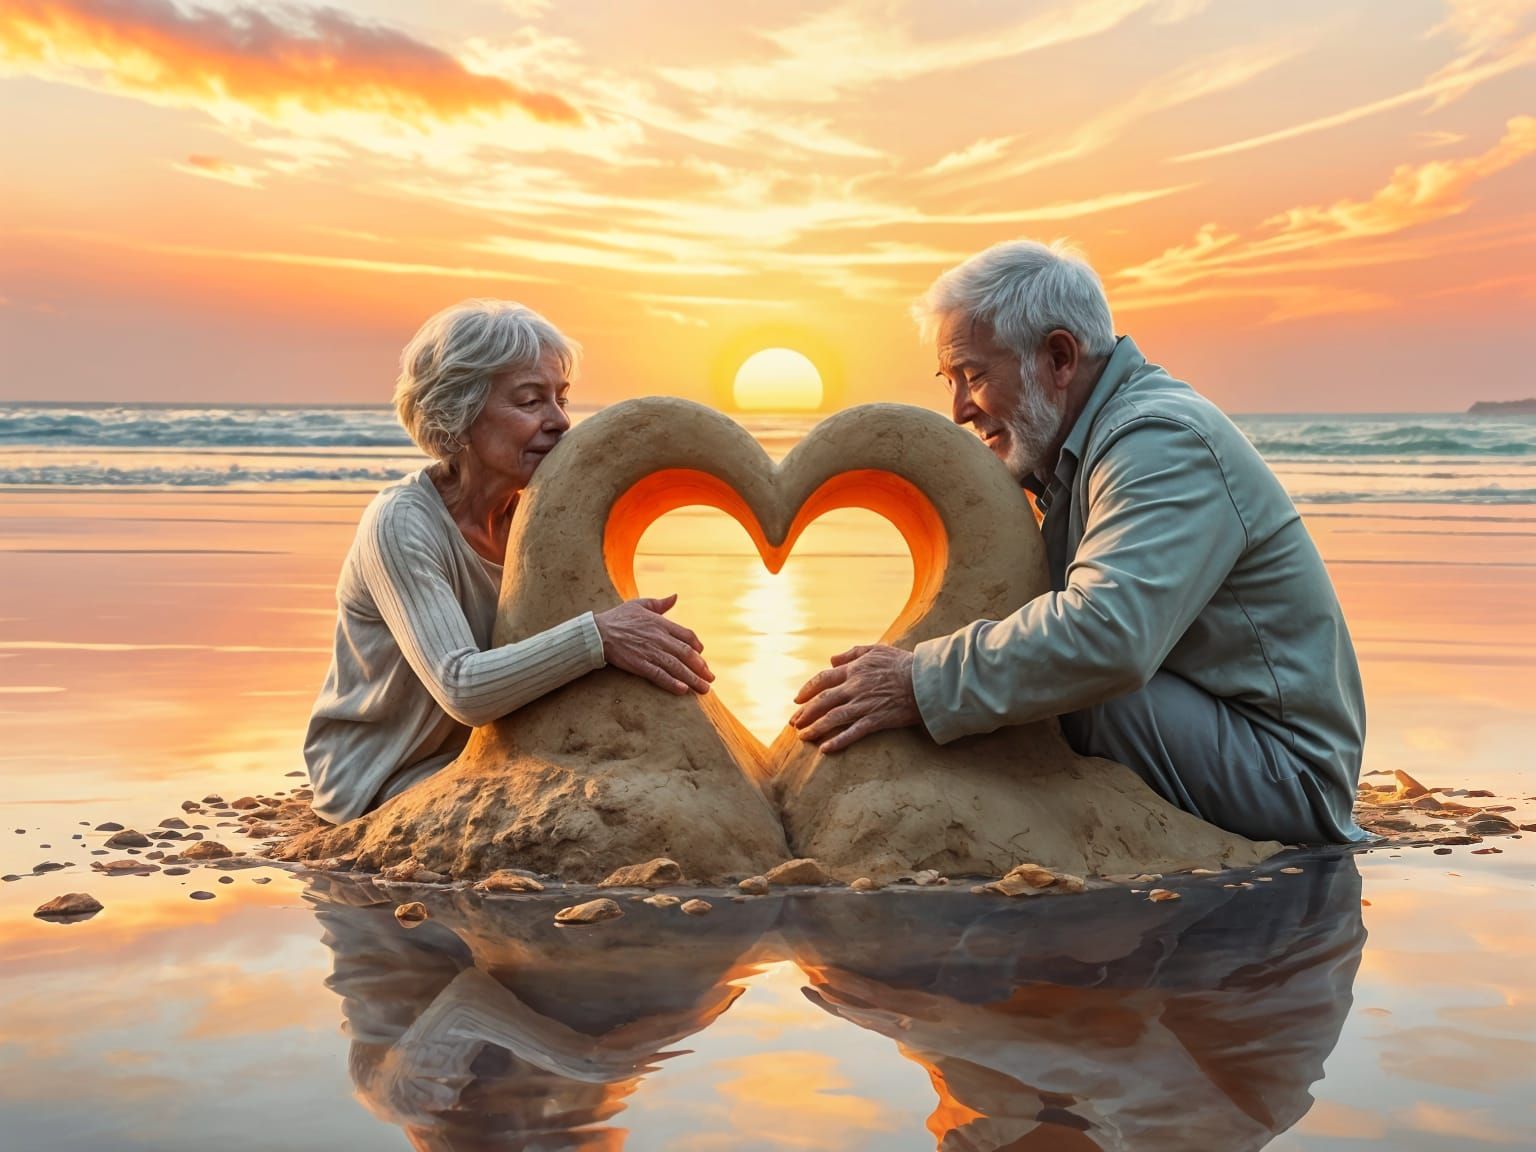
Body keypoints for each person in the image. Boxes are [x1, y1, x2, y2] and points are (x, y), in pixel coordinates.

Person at [790, 240, 1366, 844]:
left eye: (973, 376)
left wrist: (918, 682)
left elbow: (1109, 636)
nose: (959, 409)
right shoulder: (1068, 456)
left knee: (1064, 688)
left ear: (1059, 357)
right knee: (1018, 670)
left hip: (1288, 777)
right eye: (949, 381)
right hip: (1218, 736)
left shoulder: (1158, 440)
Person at [305, 300, 714, 824]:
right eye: (530, 402)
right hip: (380, 775)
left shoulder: (536, 515)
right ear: (459, 414)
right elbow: (463, 688)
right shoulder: (401, 524)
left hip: (480, 759)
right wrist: (602, 637)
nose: (560, 422)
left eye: (561, 399)